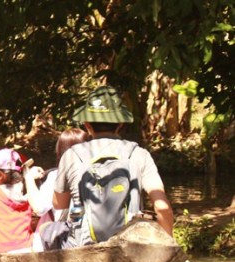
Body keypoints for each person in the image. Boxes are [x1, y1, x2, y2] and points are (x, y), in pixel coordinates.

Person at [52, 86, 174, 246]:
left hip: (81, 247)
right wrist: (168, 246)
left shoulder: (72, 155)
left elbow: (58, 204)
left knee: (48, 230)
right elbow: (162, 208)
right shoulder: (139, 154)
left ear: (87, 124)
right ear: (121, 123)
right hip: (130, 246)